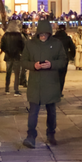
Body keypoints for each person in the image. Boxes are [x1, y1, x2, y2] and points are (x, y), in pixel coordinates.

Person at [21, 19, 67, 148]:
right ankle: (31, 136)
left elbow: (63, 60)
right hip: (35, 84)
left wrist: (51, 64)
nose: (43, 36)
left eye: (45, 33)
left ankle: (51, 134)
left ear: (49, 33)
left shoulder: (57, 44)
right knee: (33, 112)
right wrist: (33, 65)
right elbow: (23, 61)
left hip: (51, 83)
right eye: (41, 33)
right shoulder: (30, 44)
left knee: (51, 111)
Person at [1, 20, 25, 95]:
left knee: (8, 72)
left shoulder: (5, 35)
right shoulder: (19, 35)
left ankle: (7, 89)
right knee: (17, 73)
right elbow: (23, 46)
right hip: (17, 56)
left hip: (8, 56)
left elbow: (2, 47)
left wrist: (7, 51)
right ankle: (16, 90)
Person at [53, 24, 76, 97]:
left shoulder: (53, 38)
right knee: (62, 76)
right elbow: (73, 48)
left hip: (54, 59)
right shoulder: (67, 38)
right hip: (64, 59)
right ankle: (59, 91)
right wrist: (71, 56)